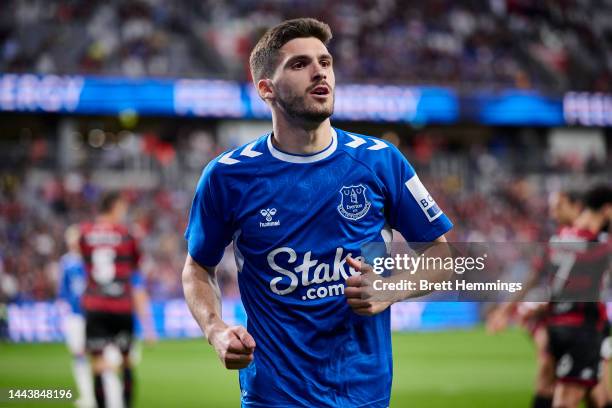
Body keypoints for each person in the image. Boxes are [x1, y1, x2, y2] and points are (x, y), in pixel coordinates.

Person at [182, 18, 453, 407]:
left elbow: (442, 256)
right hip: (273, 396)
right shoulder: (228, 175)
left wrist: (393, 287)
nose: (319, 71)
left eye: (325, 61)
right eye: (299, 64)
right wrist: (216, 330)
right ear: (266, 89)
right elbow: (196, 267)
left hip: (364, 394)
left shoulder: (381, 162)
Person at [486, 190, 584, 408]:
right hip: (564, 322)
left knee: (583, 392)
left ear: (576, 206)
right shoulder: (560, 239)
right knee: (549, 381)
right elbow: (536, 275)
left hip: (584, 325)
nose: (552, 212)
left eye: (558, 206)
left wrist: (538, 308)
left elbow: (575, 287)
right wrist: (506, 310)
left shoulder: (589, 238)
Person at [80, 192, 156, 408]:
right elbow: (135, 274)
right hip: (121, 306)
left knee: (97, 364)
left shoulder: (84, 233)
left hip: (95, 306)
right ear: (114, 207)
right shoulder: (127, 234)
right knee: (126, 363)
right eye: (122, 208)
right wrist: (148, 326)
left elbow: (85, 263)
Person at [546, 184, 612, 408]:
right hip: (585, 325)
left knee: (594, 391)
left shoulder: (565, 236)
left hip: (566, 323)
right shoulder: (598, 242)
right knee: (573, 393)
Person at [57, 224, 95, 408]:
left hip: (93, 315)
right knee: (78, 355)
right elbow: (63, 291)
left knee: (99, 355)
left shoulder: (91, 259)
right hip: (76, 316)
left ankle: (102, 393)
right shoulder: (66, 262)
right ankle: (86, 396)